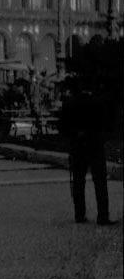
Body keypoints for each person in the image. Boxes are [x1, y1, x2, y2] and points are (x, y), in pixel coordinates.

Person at [58, 74, 112, 225]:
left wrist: (73, 135)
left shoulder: (69, 103)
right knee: (100, 181)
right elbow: (105, 123)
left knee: (78, 181)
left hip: (77, 145)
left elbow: (62, 127)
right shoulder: (97, 102)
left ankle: (79, 215)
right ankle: (103, 215)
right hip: (94, 144)